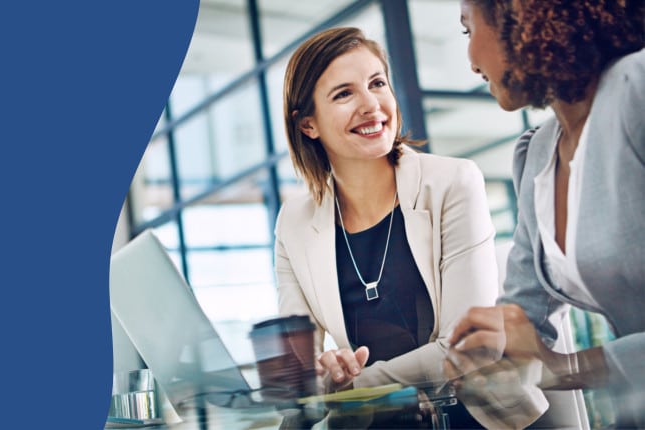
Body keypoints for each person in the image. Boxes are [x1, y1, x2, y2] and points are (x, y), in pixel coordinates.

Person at [274, 26, 544, 429]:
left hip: (477, 417)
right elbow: (300, 372)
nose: (371, 105)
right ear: (307, 124)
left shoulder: (454, 181)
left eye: (377, 83)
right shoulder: (294, 223)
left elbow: (469, 349)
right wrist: (324, 373)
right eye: (344, 94)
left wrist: (358, 386)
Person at [446, 0, 645, 427]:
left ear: (517, 16)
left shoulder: (638, 88)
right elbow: (523, 319)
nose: (470, 60)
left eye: (468, 30)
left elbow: (549, 362)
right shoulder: (538, 153)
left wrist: (563, 367)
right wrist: (487, 354)